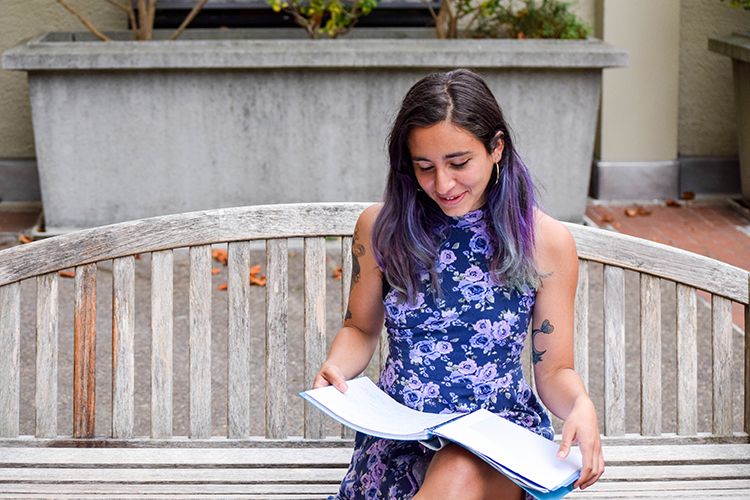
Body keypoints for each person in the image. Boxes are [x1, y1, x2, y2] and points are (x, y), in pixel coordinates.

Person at [314, 68, 604, 500]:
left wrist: (580, 405)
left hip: (498, 440)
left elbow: (555, 369)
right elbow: (360, 328)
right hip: (401, 436)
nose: (443, 184)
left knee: (458, 471)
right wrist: (338, 367)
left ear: (497, 148)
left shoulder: (544, 242)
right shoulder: (381, 228)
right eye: (425, 168)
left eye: (459, 163)